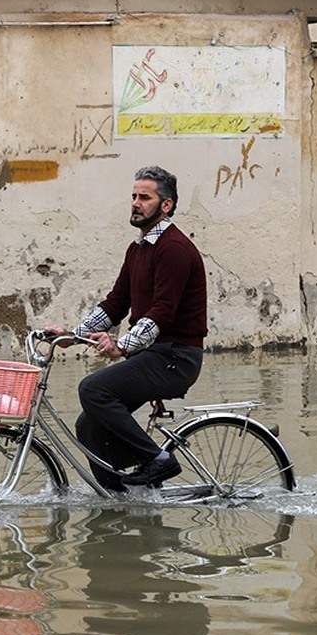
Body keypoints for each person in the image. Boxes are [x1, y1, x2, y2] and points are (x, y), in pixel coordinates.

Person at [46, 165, 207, 490]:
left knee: (93, 389)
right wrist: (72, 335)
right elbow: (115, 304)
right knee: (89, 426)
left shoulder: (174, 249)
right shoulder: (138, 249)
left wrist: (122, 346)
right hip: (152, 355)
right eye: (133, 196)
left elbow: (162, 311)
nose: (135, 203)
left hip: (177, 357)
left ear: (166, 205)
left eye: (144, 197)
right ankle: (119, 496)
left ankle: (158, 460)